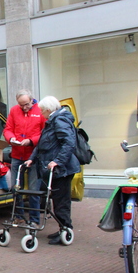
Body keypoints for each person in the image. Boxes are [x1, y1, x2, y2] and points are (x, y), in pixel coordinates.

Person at [25, 96, 80, 245]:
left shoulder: (59, 121)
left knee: (61, 201)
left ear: (49, 110)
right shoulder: (53, 121)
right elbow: (42, 144)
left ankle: (66, 229)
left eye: (42, 111)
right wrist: (32, 158)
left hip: (62, 169)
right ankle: (63, 228)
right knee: (58, 200)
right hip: (56, 167)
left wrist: (57, 161)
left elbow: (69, 143)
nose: (41, 114)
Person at [3, 90, 46, 227]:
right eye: (21, 105)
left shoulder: (40, 111)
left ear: (32, 100)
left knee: (33, 189)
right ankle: (18, 216)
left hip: (33, 156)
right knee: (16, 188)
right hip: (17, 154)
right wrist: (11, 138)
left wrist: (31, 141)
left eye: (26, 104)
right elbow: (8, 129)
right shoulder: (14, 110)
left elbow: (45, 133)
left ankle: (34, 220)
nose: (24, 108)